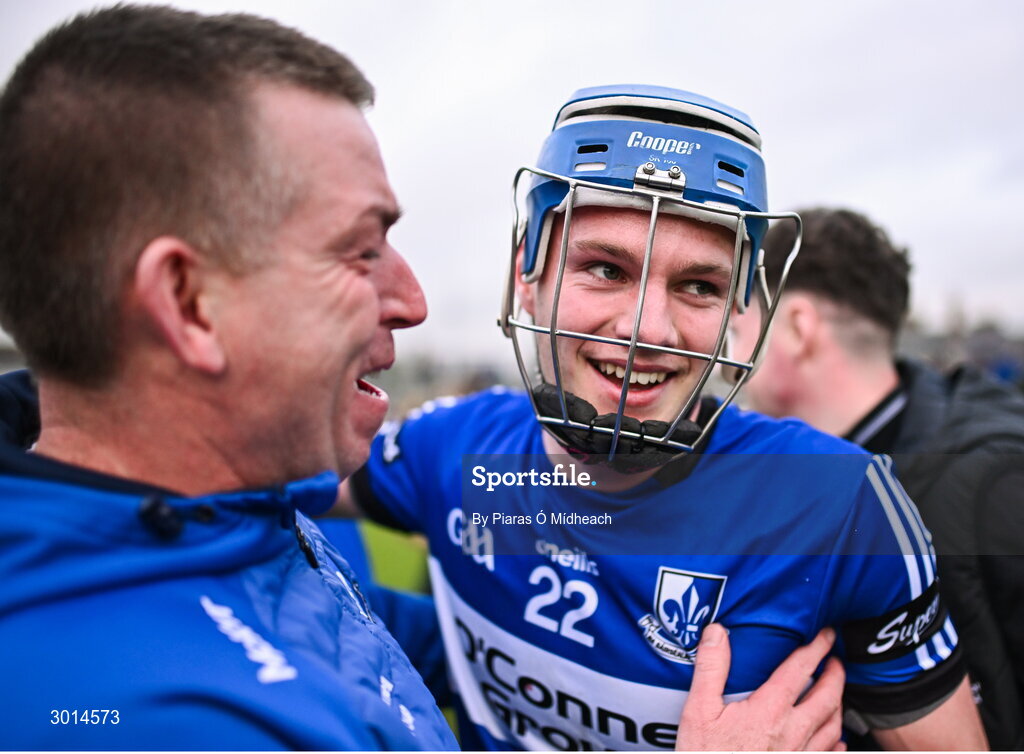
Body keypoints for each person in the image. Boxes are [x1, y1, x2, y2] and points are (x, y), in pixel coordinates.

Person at [0, 6, 846, 751]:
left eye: (696, 285)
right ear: (186, 303)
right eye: (360, 249)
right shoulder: (160, 724)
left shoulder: (223, 500)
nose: (412, 298)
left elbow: (361, 641)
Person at [335, 85, 988, 751]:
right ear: (527, 275)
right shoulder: (456, 449)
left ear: (737, 311)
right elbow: (247, 490)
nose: (648, 330)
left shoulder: (839, 506)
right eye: (606, 269)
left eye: (698, 285)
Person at [730, 207, 1024, 749]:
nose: (729, 356)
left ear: (796, 328)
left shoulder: (999, 482)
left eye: (741, 322)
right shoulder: (798, 476)